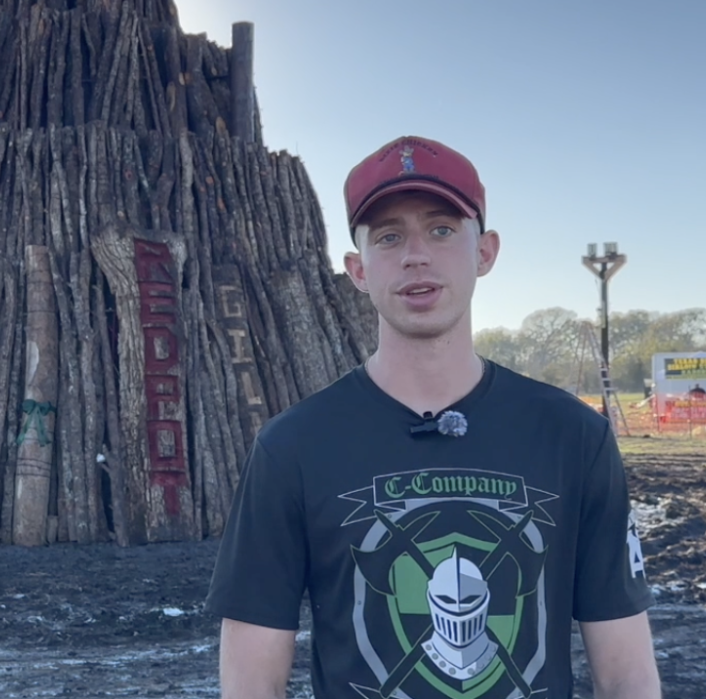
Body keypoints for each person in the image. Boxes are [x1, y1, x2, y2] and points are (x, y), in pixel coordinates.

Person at [205, 136, 661, 699]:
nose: (415, 254)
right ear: (358, 269)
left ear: (486, 251)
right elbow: (251, 682)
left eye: (442, 229)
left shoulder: (573, 436)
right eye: (389, 236)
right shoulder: (293, 447)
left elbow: (628, 674)